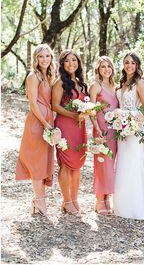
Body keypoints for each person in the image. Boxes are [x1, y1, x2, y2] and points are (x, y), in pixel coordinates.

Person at [16, 43, 56, 215]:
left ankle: (38, 200)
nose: (44, 59)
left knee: (45, 161)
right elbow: (33, 103)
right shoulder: (33, 76)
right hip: (37, 124)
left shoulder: (48, 76)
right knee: (37, 162)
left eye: (47, 56)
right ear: (36, 59)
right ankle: (39, 201)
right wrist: (46, 124)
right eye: (41, 56)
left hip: (47, 124)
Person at [113, 52, 144, 220]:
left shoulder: (139, 83)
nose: (129, 65)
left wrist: (133, 122)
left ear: (137, 66)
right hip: (121, 130)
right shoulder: (121, 83)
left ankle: (135, 207)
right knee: (123, 165)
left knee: (134, 165)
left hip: (135, 130)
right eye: (126, 62)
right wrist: (121, 120)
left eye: (132, 63)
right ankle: (122, 205)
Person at [52, 49, 88, 215]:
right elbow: (55, 106)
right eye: (67, 61)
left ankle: (74, 199)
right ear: (62, 64)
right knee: (66, 164)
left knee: (77, 164)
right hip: (65, 126)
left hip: (79, 128)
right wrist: (74, 115)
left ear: (79, 63)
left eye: (74, 60)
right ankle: (66, 201)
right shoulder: (60, 82)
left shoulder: (81, 82)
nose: (71, 63)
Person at [89, 56, 118, 215]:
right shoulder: (96, 86)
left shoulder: (115, 86)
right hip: (101, 129)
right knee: (102, 163)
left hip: (115, 130)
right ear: (98, 70)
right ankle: (100, 199)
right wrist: (96, 129)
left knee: (110, 164)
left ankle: (108, 198)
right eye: (103, 67)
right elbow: (91, 111)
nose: (106, 69)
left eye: (109, 66)